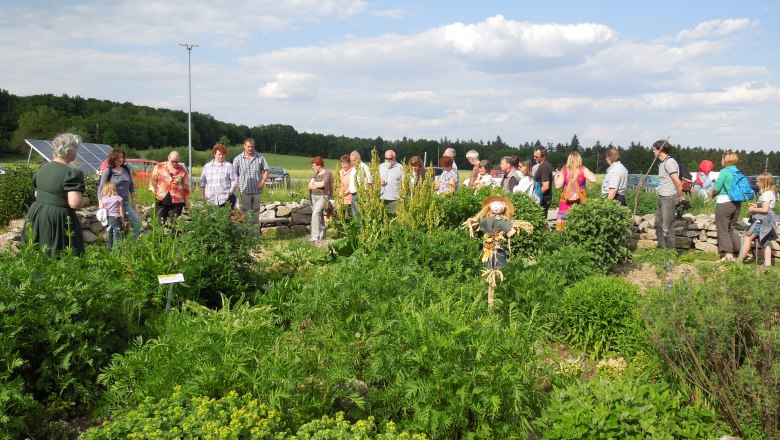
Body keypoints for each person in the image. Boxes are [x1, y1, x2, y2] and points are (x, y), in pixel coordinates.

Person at [22, 133, 90, 255]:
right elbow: (74, 203)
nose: (76, 154)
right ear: (70, 151)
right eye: (76, 150)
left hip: (36, 213)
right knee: (59, 254)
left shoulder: (42, 168)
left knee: (37, 252)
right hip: (57, 218)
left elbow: (37, 195)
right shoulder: (71, 173)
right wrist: (86, 200)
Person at [98, 149, 141, 239]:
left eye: (122, 157)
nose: (121, 159)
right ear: (113, 159)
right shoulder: (108, 171)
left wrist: (133, 199)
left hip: (125, 203)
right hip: (112, 204)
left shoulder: (126, 169)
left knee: (136, 223)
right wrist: (100, 202)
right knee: (115, 229)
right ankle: (114, 250)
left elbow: (131, 185)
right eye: (118, 158)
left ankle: (134, 246)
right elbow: (101, 187)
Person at [737, 173, 777, 267]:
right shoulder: (770, 193)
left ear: (764, 182)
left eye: (758, 181)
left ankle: (739, 260)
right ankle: (767, 264)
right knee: (765, 242)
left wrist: (753, 209)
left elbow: (765, 209)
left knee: (748, 237)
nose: (757, 183)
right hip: (768, 221)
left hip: (762, 221)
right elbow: (767, 207)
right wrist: (756, 205)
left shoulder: (766, 194)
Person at [712, 150, 744, 261]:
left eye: (722, 158)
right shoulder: (738, 172)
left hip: (724, 203)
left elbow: (717, 187)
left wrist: (712, 194)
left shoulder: (724, 171)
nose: (721, 161)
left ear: (725, 160)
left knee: (723, 229)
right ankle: (741, 251)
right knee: (732, 228)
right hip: (737, 204)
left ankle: (728, 255)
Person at [652, 140, 685, 249]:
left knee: (667, 227)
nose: (653, 152)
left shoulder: (669, 162)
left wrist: (681, 197)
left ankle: (670, 255)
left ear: (659, 150)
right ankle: (662, 250)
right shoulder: (662, 163)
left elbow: (677, 181)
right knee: (658, 224)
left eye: (654, 149)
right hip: (662, 196)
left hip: (669, 197)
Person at [554, 151, 596, 230]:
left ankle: (563, 237)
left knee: (564, 223)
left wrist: (556, 177)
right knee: (580, 221)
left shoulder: (564, 170)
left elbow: (558, 186)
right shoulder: (583, 169)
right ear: (579, 159)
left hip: (566, 199)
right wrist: (590, 172)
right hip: (580, 199)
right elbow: (593, 180)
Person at [149, 150, 190, 224]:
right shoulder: (159, 167)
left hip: (177, 200)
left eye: (177, 162)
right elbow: (152, 181)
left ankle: (174, 236)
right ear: (168, 158)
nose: (174, 163)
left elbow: (186, 187)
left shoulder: (182, 170)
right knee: (159, 222)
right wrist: (153, 193)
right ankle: (159, 236)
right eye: (172, 161)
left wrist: (187, 199)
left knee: (175, 223)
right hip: (161, 198)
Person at [233, 138, 270, 218]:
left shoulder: (260, 157)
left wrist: (263, 182)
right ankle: (246, 230)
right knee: (245, 213)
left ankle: (255, 230)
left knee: (256, 213)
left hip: (257, 190)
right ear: (244, 146)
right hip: (244, 190)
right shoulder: (238, 159)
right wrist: (237, 184)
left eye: (252, 147)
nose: (250, 148)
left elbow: (266, 170)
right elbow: (233, 174)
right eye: (248, 146)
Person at [199, 143, 238, 208]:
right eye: (219, 154)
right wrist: (202, 197)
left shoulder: (229, 166)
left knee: (225, 218)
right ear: (214, 154)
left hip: (226, 200)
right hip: (210, 200)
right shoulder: (207, 166)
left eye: (223, 154)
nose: (221, 156)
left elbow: (235, 180)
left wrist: (230, 192)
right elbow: (202, 182)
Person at [308, 156, 334, 242]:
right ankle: (323, 237)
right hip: (313, 196)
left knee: (315, 215)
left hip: (322, 197)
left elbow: (323, 184)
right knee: (319, 216)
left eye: (314, 165)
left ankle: (314, 237)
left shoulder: (327, 173)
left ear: (319, 165)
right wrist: (316, 184)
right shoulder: (315, 174)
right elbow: (309, 185)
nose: (313, 167)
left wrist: (315, 184)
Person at [99, 181, 125, 252]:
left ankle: (110, 251)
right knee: (117, 235)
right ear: (114, 189)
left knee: (109, 235)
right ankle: (119, 252)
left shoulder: (103, 199)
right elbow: (121, 210)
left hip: (107, 218)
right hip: (116, 218)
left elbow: (101, 208)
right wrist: (123, 220)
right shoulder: (118, 198)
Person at [348, 151, 372, 218]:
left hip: (361, 196)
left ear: (359, 159)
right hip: (353, 196)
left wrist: (369, 198)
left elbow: (369, 183)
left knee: (360, 217)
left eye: (354, 160)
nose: (352, 162)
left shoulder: (364, 168)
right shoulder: (354, 169)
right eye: (351, 161)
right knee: (355, 218)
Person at [379, 149, 403, 214]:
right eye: (386, 159)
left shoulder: (400, 167)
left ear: (394, 158)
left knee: (394, 218)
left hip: (394, 198)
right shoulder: (381, 167)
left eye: (390, 159)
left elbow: (404, 182)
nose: (388, 160)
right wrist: (379, 182)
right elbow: (376, 180)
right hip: (382, 197)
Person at [533, 147, 554, 219]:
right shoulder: (542, 166)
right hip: (543, 199)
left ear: (543, 157)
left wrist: (536, 197)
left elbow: (545, 186)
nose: (534, 158)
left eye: (537, 157)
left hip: (543, 200)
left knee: (541, 222)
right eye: (534, 156)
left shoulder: (544, 167)